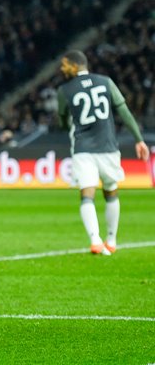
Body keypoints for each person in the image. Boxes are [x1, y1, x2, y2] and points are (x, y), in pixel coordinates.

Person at [57, 50, 149, 255]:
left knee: (86, 193)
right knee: (111, 190)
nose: (62, 69)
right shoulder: (105, 82)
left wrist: (67, 122)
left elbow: (62, 122)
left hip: (82, 148)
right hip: (107, 145)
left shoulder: (64, 90)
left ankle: (95, 240)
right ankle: (111, 239)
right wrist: (138, 139)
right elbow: (123, 110)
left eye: (65, 65)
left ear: (75, 65)